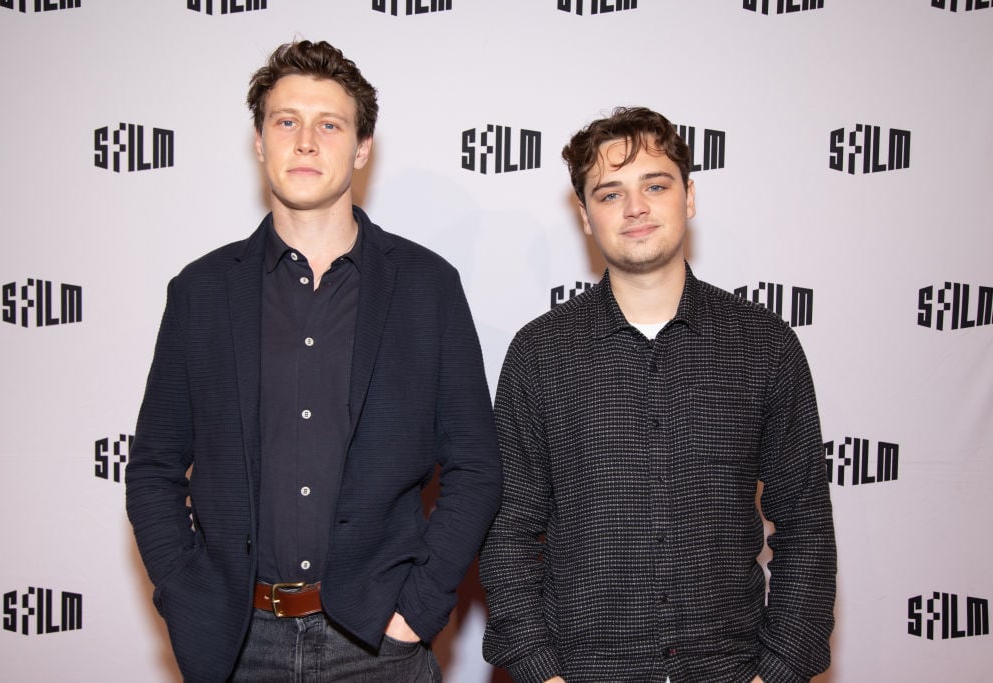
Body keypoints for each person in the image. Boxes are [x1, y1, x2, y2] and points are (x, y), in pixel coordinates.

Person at [125, 40, 501, 683]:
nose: (306, 141)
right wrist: (188, 599)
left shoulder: (427, 286)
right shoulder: (201, 291)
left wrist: (418, 606)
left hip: (378, 644)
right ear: (259, 141)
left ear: (361, 149)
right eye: (286, 121)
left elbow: (476, 465)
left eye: (330, 124)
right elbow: (154, 469)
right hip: (235, 646)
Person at [480, 107, 836, 683]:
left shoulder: (764, 344)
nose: (636, 208)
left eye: (655, 185)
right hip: (583, 670)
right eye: (610, 193)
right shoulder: (539, 354)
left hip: (732, 668)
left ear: (689, 196)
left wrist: (779, 670)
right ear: (585, 215)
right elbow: (509, 532)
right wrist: (539, 671)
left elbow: (806, 524)